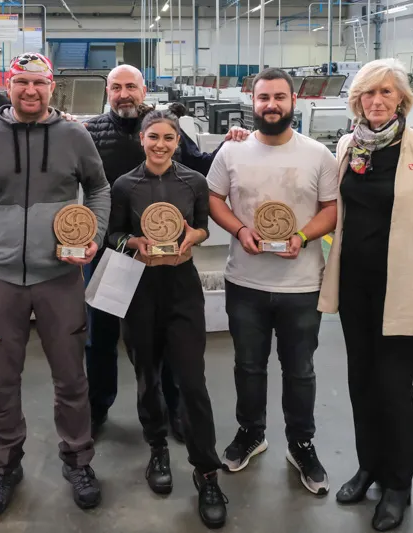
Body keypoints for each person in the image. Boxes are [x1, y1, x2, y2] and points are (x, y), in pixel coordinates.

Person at [0, 52, 110, 516]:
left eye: (39, 84)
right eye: (22, 83)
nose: (30, 91)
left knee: (71, 377)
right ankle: (4, 464)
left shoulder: (74, 135)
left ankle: (78, 458)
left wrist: (94, 239)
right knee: (1, 380)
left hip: (60, 276)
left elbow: (99, 189)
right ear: (9, 84)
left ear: (51, 87)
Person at [317, 58, 413, 532]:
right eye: (368, 95)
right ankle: (368, 467)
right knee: (361, 383)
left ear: (402, 100)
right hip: (356, 285)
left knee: (394, 388)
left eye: (387, 94)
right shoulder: (347, 146)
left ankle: (398, 484)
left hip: (404, 290)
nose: (377, 102)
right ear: (357, 101)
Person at [82, 64, 250, 440]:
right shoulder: (90, 133)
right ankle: (97, 407)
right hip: (111, 253)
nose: (124, 93)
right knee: (101, 337)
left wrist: (228, 142)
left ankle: (174, 410)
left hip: (165, 259)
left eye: (131, 86)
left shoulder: (163, 127)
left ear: (143, 90)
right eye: (116, 87)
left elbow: (198, 167)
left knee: (167, 339)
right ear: (107, 91)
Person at [207, 68, 338, 495]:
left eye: (279, 97)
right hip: (245, 280)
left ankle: (301, 443)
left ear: (293, 101)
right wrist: (240, 231)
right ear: (253, 102)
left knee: (300, 369)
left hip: (301, 284)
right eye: (264, 98)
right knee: (248, 365)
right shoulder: (232, 153)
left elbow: (330, 208)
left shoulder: (318, 154)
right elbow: (213, 198)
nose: (271, 105)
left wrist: (302, 236)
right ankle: (252, 433)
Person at [108, 109, 228, 529]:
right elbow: (113, 233)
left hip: (181, 287)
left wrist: (194, 236)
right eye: (153, 136)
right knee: (147, 376)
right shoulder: (125, 185)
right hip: (140, 288)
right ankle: (157, 447)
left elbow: (201, 227)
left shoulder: (193, 182)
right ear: (142, 139)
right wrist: (132, 243)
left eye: (169, 138)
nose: (161, 144)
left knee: (192, 381)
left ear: (178, 142)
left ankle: (207, 471)